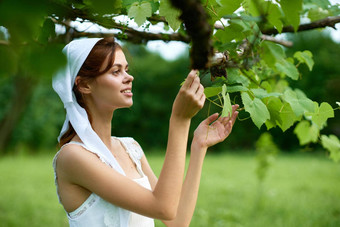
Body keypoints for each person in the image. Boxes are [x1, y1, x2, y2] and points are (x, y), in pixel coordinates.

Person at [52, 37, 239, 227]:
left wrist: (198, 145)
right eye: (116, 71)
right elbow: (163, 208)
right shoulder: (73, 156)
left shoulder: (130, 148)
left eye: (127, 70)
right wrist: (180, 120)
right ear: (84, 85)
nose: (128, 77)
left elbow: (176, 220)